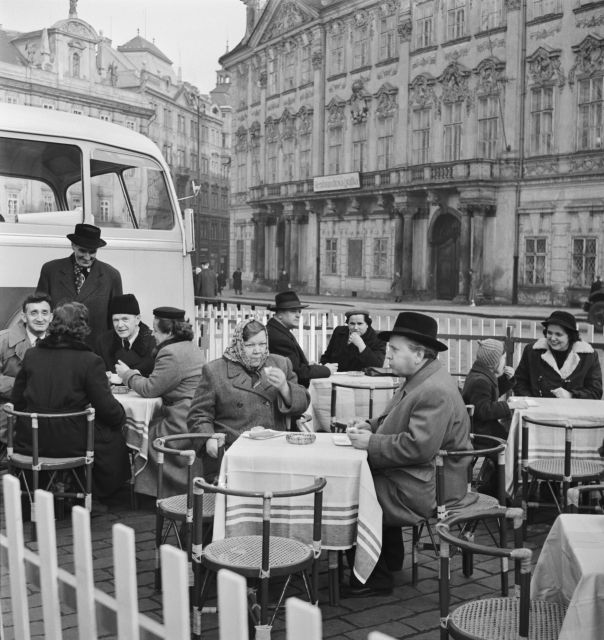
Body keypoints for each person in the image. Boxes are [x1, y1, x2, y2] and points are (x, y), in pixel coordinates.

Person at [344, 311, 475, 597]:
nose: (387, 356)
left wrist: (370, 444)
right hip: (422, 475)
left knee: (355, 493)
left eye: (394, 350)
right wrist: (369, 425)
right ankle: (388, 560)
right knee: (364, 484)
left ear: (418, 354)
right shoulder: (422, 377)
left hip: (432, 486)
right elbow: (396, 419)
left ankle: (374, 577)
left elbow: (418, 447)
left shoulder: (433, 389)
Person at [11, 301, 129, 499]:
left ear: (53, 324)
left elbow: (17, 401)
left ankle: (52, 486)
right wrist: (121, 418)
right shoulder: (90, 360)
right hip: (70, 441)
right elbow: (107, 409)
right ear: (82, 328)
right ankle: (93, 493)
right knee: (113, 438)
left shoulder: (32, 355)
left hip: (30, 439)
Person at [186, 317, 309, 474]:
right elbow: (198, 414)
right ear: (238, 344)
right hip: (232, 451)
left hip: (274, 451)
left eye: (262, 344)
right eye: (250, 345)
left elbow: (303, 403)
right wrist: (208, 438)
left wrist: (285, 388)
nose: (258, 350)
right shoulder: (215, 370)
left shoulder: (280, 364)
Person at [115, 306, 204, 496]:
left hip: (180, 421)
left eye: (156, 330)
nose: (153, 335)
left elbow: (150, 389)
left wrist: (127, 375)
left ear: (170, 331)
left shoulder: (170, 353)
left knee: (140, 433)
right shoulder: (191, 347)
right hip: (194, 415)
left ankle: (160, 491)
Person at [36, 223, 123, 345]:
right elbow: (40, 311)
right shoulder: (50, 270)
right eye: (82, 250)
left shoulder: (111, 275)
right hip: (57, 347)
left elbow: (116, 319)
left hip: (96, 352)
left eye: (92, 252)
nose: (87, 257)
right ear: (73, 246)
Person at [0, 293, 53, 463]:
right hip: (8, 408)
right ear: (23, 316)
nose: (40, 318)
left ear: (51, 316)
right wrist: (23, 387)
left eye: (44, 313)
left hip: (49, 411)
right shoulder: (3, 340)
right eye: (34, 313)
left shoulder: (59, 343)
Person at [462, 339, 516, 497]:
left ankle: (494, 483)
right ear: (494, 361)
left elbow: (490, 396)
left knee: (509, 439)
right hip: (479, 432)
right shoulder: (481, 381)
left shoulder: (481, 375)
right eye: (503, 358)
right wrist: (509, 406)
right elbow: (484, 410)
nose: (505, 362)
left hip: (480, 427)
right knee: (510, 445)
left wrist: (506, 380)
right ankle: (495, 489)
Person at [514, 310, 602, 399]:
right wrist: (531, 401)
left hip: (574, 410)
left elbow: (595, 392)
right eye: (549, 333)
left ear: (570, 336)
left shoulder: (588, 356)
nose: (552, 338)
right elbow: (519, 382)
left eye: (558, 334)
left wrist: (571, 395)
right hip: (537, 409)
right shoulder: (532, 351)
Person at [266, 291, 336, 387]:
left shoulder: (276, 330)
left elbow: (293, 364)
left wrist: (309, 365)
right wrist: (326, 370)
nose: (298, 315)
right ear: (280, 314)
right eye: (293, 311)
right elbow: (297, 372)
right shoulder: (279, 337)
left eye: (299, 311)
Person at [95, 294, 156, 377]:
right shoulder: (103, 342)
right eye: (116, 320)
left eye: (125, 319)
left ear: (137, 319)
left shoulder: (154, 342)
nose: (120, 325)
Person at [320, 309, 386, 372]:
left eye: (360, 324)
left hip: (363, 379)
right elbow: (327, 356)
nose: (355, 327)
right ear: (347, 323)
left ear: (367, 324)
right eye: (352, 323)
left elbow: (377, 366)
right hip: (337, 376)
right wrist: (324, 367)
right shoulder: (339, 331)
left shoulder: (378, 338)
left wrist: (361, 345)